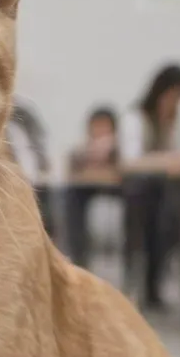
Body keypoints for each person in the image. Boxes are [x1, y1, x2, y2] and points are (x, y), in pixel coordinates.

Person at [120, 63, 180, 309]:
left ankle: (155, 282)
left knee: (172, 211)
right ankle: (138, 280)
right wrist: (165, 160)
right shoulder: (135, 118)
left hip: (168, 189)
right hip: (140, 188)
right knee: (148, 202)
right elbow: (130, 161)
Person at [65, 105, 119, 268]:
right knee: (70, 195)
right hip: (87, 189)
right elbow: (73, 173)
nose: (100, 131)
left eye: (104, 126)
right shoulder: (81, 151)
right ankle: (78, 257)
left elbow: (119, 172)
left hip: (119, 190)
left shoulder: (118, 149)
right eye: (97, 126)